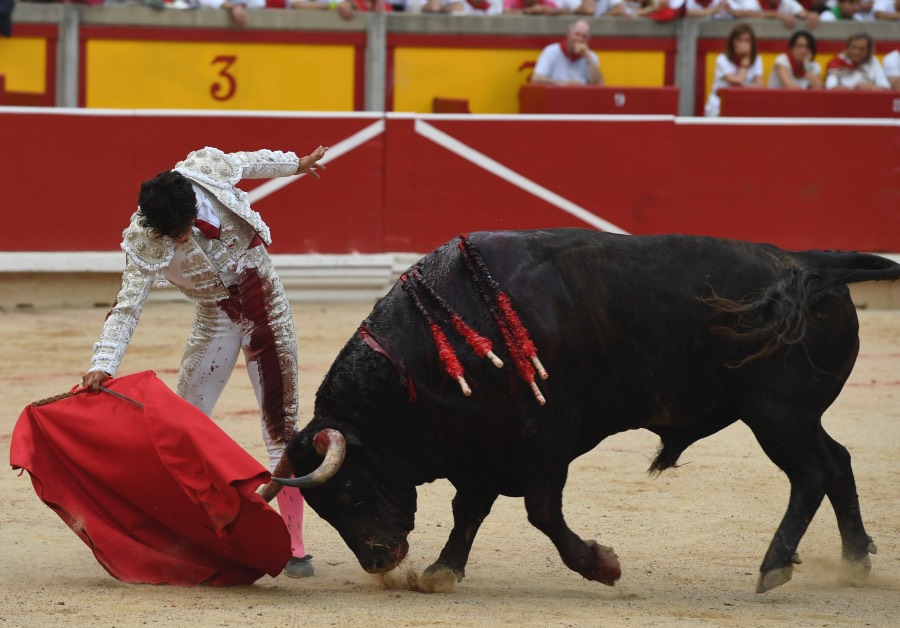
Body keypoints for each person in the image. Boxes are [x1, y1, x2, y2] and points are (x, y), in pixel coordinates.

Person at [81, 145, 329, 579]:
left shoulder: (206, 170)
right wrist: (103, 361)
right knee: (183, 425)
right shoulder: (144, 236)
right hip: (214, 316)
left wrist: (296, 165)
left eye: (180, 227)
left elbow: (249, 162)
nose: (178, 238)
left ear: (192, 205)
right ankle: (191, 530)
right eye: (170, 232)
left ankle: (293, 543)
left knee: (281, 427)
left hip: (266, 306)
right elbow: (127, 307)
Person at [704, 23, 763, 117]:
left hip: (745, 105)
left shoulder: (757, 59)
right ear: (732, 42)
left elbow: (759, 86)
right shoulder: (722, 59)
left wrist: (745, 87)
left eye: (747, 40)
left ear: (752, 43)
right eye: (739, 40)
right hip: (719, 107)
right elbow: (737, 83)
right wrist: (744, 63)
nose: (743, 44)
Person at [531, 19, 603, 86]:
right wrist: (565, 84)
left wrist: (588, 58)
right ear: (568, 34)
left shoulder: (591, 57)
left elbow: (598, 84)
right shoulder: (551, 51)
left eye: (584, 37)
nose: (579, 39)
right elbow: (536, 79)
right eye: (577, 34)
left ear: (588, 39)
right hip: (555, 97)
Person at [824, 32, 890, 89]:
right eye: (853, 47)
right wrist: (854, 89)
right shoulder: (837, 62)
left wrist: (872, 87)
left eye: (861, 49)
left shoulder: (872, 60)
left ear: (869, 51)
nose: (856, 52)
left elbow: (885, 87)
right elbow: (830, 87)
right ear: (847, 48)